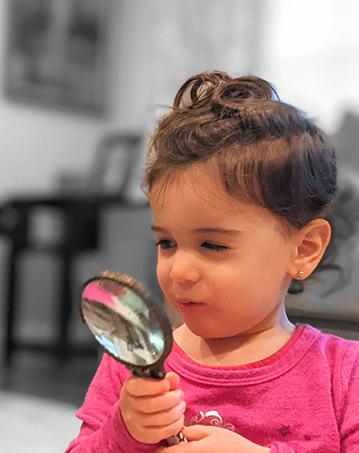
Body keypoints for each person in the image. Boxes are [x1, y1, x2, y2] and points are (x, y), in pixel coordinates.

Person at [66, 71, 359, 453]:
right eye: (167, 242)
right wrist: (124, 433)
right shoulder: (131, 366)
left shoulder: (343, 373)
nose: (179, 271)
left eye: (212, 245)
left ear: (303, 250)